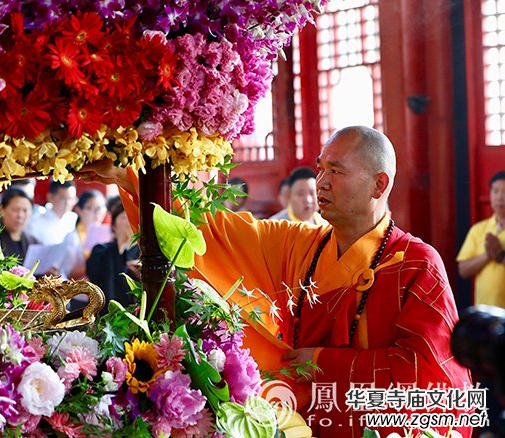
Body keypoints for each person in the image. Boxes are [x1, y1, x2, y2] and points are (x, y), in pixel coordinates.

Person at [78, 125, 473, 438]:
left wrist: (323, 362)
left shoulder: (416, 263)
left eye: (336, 171)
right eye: (321, 168)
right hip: (301, 421)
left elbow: (432, 372)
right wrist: (132, 176)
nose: (321, 181)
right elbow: (212, 232)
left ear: (379, 185)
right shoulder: (299, 243)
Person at [457, 171, 505, 308]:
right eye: (496, 191)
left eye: (504, 192)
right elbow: (463, 270)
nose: (500, 197)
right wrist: (487, 256)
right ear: (490, 194)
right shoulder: (478, 230)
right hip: (486, 315)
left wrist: (501, 256)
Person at [86, 200, 140, 309]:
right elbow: (94, 276)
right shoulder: (100, 251)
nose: (128, 223)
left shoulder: (142, 254)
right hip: (105, 314)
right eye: (124, 217)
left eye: (131, 218)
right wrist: (121, 246)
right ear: (114, 225)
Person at [26, 180, 78, 245]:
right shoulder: (35, 224)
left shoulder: (75, 219)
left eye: (71, 199)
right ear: (50, 197)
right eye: (63, 198)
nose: (67, 203)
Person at [0, 189, 39, 263]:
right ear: (2, 210)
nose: (20, 215)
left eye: (25, 210)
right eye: (15, 210)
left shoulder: (34, 243)